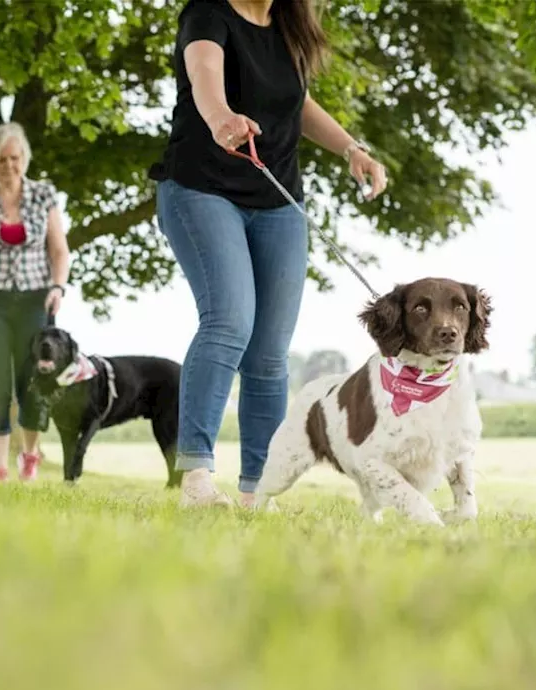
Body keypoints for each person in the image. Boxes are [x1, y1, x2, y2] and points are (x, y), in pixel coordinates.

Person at [149, 0, 389, 509]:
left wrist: (352, 149)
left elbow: (296, 105)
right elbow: (204, 71)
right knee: (229, 322)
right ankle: (196, 478)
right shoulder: (207, 13)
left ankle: (257, 489)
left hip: (277, 201)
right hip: (201, 189)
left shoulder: (287, 27)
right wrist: (219, 117)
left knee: (269, 352)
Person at [0, 121, 71, 482]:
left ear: (25, 159)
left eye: (15, 158)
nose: (9, 166)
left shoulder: (43, 195)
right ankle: (0, 469)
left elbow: (59, 250)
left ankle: (30, 457)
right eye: (2, 159)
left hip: (36, 298)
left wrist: (58, 287)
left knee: (33, 381)